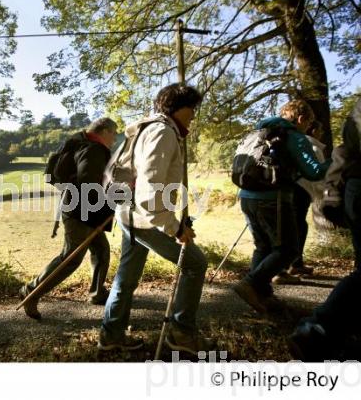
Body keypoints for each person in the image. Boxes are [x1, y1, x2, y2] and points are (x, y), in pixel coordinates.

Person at [98, 83, 212, 354]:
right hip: (146, 218)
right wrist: (174, 228)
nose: (194, 115)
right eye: (192, 109)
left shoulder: (145, 129)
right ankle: (182, 334)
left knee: (126, 277)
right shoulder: (163, 132)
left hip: (129, 214)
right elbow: (150, 194)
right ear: (178, 108)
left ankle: (111, 334)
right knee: (195, 264)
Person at [234, 100, 330, 314]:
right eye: (309, 122)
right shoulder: (294, 136)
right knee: (288, 249)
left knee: (263, 247)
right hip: (273, 197)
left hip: (246, 196)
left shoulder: (259, 131)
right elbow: (314, 172)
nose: (308, 127)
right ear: (301, 118)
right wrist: (336, 162)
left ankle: (261, 296)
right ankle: (251, 284)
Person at [19, 118, 118, 320]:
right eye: (114, 133)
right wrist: (112, 201)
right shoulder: (94, 149)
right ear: (105, 131)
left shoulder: (80, 145)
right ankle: (30, 291)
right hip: (82, 211)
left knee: (101, 250)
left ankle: (97, 293)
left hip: (83, 209)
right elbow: (88, 184)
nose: (115, 139)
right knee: (70, 258)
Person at [288, 97, 361, 361]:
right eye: (309, 123)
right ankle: (319, 329)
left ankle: (328, 333)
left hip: (349, 184)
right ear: (301, 121)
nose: (314, 129)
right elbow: (311, 168)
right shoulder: (298, 141)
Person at [273, 120, 327, 284]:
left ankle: (295, 263)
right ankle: (285, 268)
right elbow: (317, 173)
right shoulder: (311, 146)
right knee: (294, 228)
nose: (322, 133)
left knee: (297, 226)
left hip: (293, 188)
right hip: (301, 190)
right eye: (320, 129)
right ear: (313, 130)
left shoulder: (292, 142)